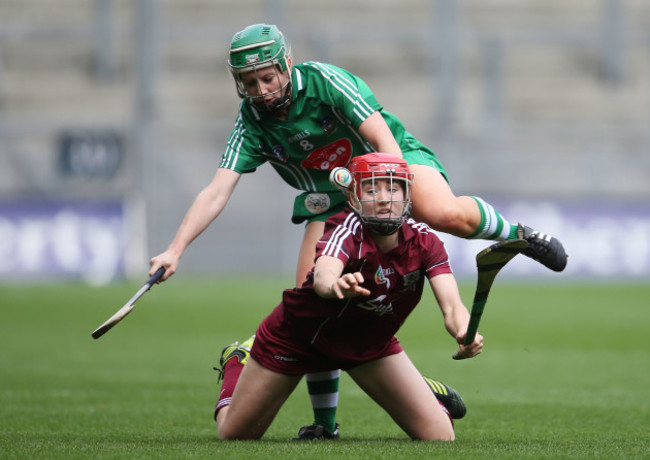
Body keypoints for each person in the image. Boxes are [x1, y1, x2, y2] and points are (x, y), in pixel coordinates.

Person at [149, 23, 567, 439]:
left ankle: (520, 234)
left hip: (390, 169)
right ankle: (325, 424)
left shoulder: (325, 82)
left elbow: (384, 140)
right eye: (249, 81)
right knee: (311, 303)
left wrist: (390, 206)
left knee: (443, 213)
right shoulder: (251, 123)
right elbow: (217, 191)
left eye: (267, 77)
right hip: (334, 197)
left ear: (286, 65)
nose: (260, 89)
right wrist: (175, 249)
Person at [214, 153, 483, 441]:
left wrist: (465, 331)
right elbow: (323, 275)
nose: (383, 199)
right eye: (371, 189)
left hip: (368, 344)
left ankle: (425, 396)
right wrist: (336, 285)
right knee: (235, 435)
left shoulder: (426, 242)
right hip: (298, 338)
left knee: (441, 437)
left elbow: (453, 307)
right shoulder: (345, 228)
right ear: (354, 197)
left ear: (407, 194)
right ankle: (238, 361)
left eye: (393, 188)